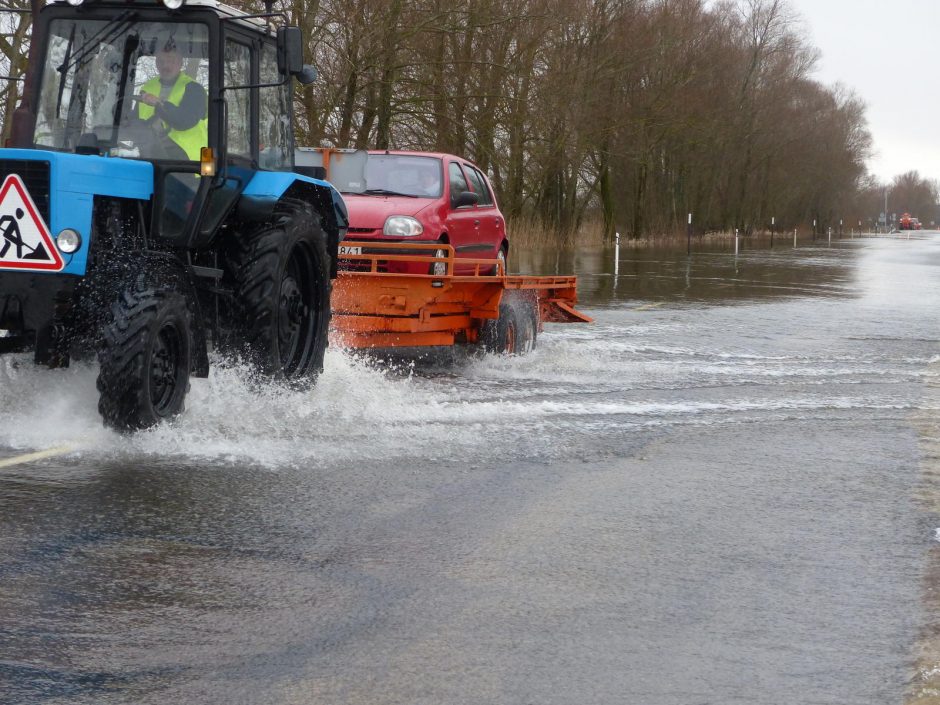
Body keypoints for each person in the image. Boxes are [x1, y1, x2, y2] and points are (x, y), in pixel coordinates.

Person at [137, 43, 207, 161]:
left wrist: (158, 103)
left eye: (171, 60)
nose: (165, 65)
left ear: (180, 63)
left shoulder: (194, 89)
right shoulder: (148, 87)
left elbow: (183, 121)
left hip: (191, 164)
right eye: (161, 61)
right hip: (152, 157)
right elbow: (136, 120)